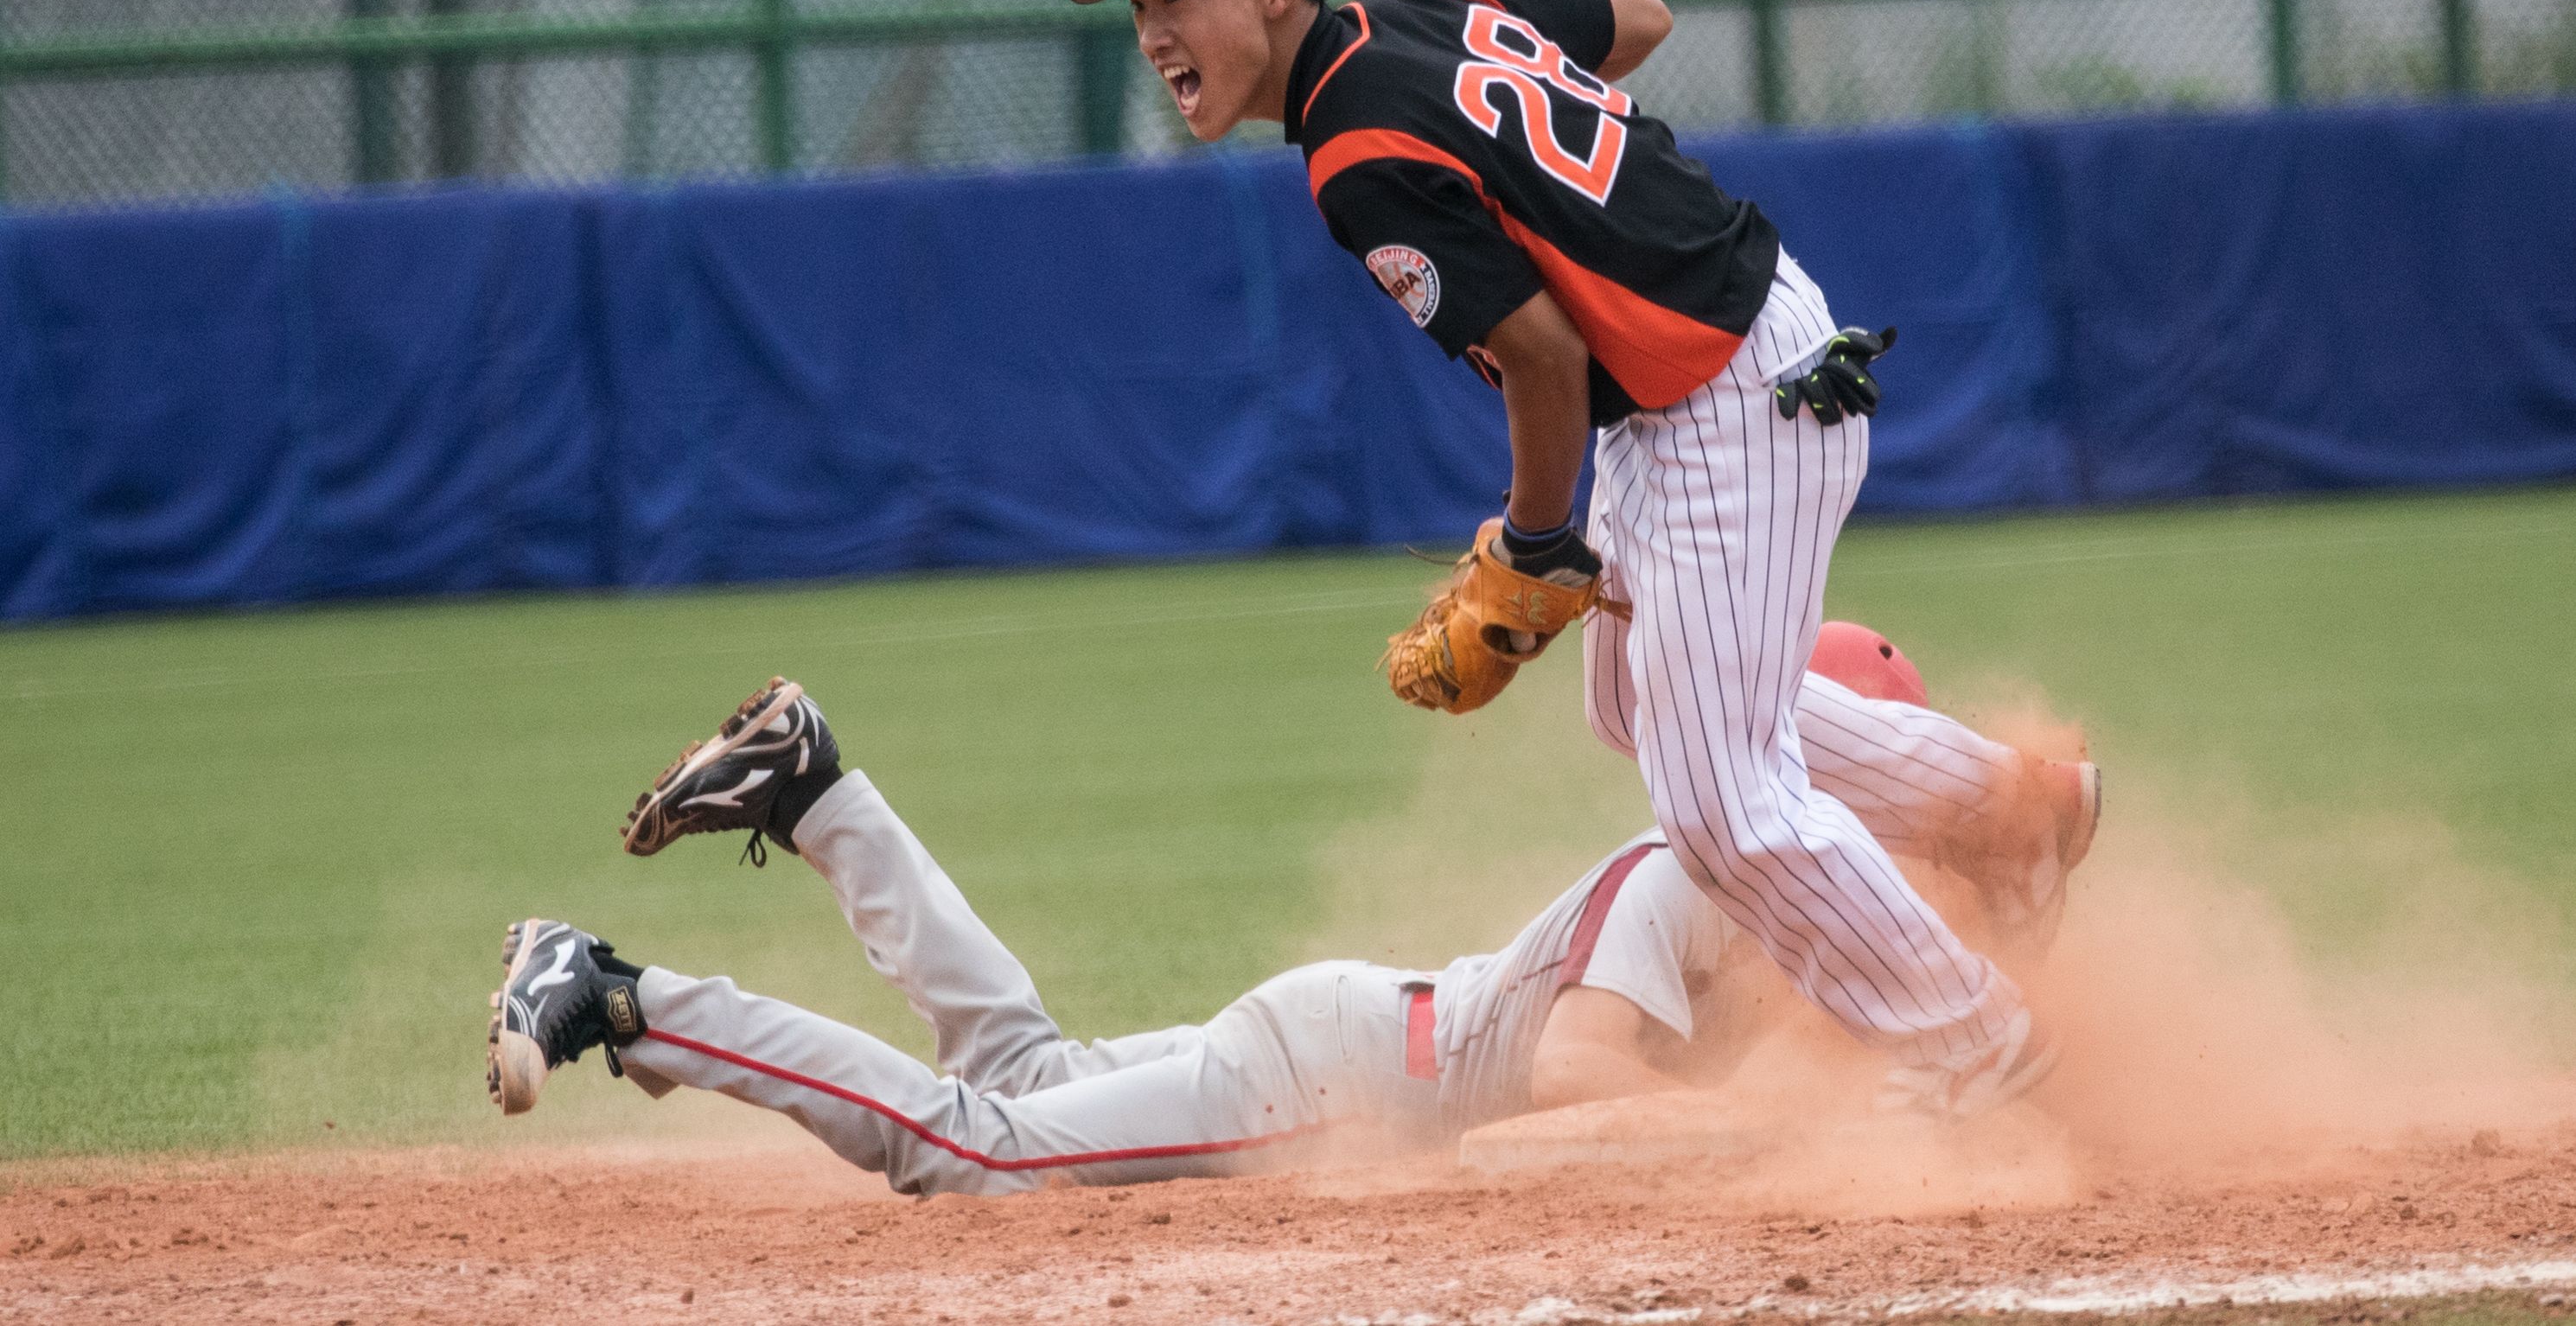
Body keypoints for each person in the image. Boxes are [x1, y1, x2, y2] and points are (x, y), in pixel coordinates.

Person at [1060, 0, 2069, 1116]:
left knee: (1719, 804)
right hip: (1726, 359)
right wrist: (1555, 150)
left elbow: (1542, 357)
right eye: (1140, 6)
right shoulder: (1419, 12)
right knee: (1644, 706)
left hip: (1719, 394)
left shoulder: (1356, 152)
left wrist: (1536, 545)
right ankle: (2007, 812)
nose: (1154, 31)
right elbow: (1638, 18)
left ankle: (1971, 1039)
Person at [485, 642, 2097, 1193]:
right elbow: (1578, 1080)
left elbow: (2028, 884)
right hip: (1323, 1079)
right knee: (976, 1152)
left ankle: (818, 790)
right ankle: (627, 994)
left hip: (1350, 1050)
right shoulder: (1694, 864)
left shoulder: (1830, 913)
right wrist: (1803, 1143)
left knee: (1032, 1077)